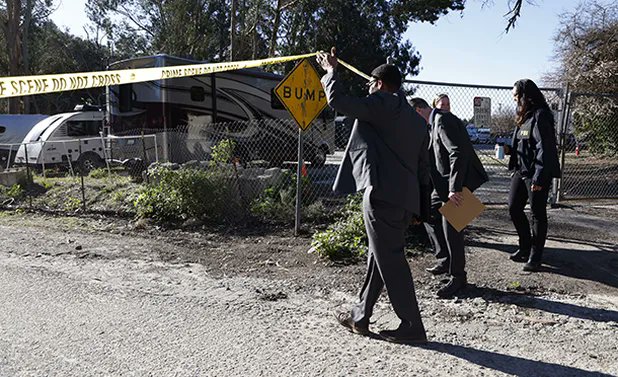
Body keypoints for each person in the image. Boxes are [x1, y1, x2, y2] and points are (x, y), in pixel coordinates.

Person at [317, 47, 431, 344]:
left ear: (379, 84)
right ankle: (360, 315)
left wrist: (331, 72)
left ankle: (412, 326)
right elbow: (423, 168)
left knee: (390, 259)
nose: (368, 90)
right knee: (378, 256)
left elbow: (338, 101)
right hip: (404, 200)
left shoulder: (382, 104)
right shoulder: (417, 121)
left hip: (382, 196)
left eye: (370, 84)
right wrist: (420, 207)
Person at [410, 97, 488, 298]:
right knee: (427, 212)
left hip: (458, 183)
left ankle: (458, 278)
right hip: (442, 185)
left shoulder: (442, 121)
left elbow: (457, 153)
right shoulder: (433, 123)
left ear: (418, 111)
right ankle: (445, 258)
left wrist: (455, 188)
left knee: (452, 227)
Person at [507, 79, 561, 272]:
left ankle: (535, 256)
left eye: (516, 96)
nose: (515, 100)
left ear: (525, 96)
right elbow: (523, 143)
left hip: (536, 173)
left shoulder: (540, 115)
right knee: (513, 208)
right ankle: (524, 246)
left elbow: (544, 149)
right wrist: (508, 149)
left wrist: (538, 178)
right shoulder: (525, 117)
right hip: (521, 172)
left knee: (537, 215)